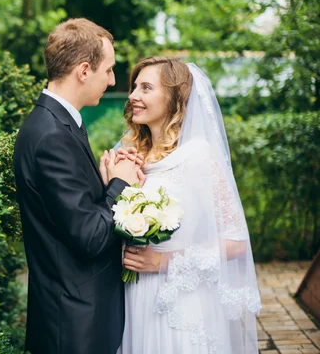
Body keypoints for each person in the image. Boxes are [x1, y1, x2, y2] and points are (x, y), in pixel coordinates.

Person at [108, 56, 261, 353]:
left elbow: (236, 241)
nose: (133, 96)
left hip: (177, 297)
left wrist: (162, 261)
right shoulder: (129, 154)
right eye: (135, 87)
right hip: (133, 294)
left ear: (174, 98)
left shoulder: (198, 156)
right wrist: (109, 180)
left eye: (146, 88)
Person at [13, 18, 144, 354]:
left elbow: (69, 215)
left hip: (78, 314)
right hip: (73, 323)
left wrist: (102, 185)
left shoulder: (60, 122)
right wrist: (119, 184)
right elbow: (89, 237)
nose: (113, 80)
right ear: (84, 70)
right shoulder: (52, 135)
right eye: (109, 70)